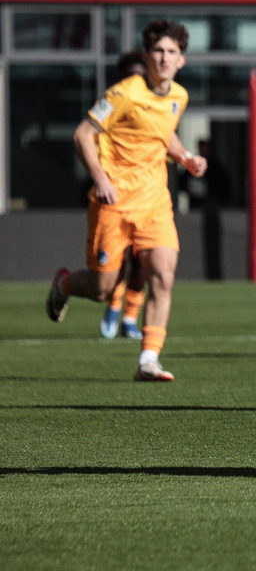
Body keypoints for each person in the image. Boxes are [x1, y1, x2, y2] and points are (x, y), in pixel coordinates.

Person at [46, 19, 207, 382]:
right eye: (158, 51)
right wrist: (100, 178)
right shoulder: (123, 94)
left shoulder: (178, 97)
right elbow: (82, 135)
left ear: (181, 60)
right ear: (147, 56)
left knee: (163, 277)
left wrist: (186, 158)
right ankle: (65, 284)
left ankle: (148, 360)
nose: (165, 58)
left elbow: (163, 135)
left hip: (154, 201)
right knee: (103, 289)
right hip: (113, 201)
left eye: (172, 52)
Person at [98, 50, 149, 341]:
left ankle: (130, 317)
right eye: (130, 75)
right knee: (114, 264)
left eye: (140, 76)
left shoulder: (154, 109)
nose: (136, 81)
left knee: (143, 260)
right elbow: (88, 136)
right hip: (114, 195)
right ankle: (113, 306)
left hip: (146, 197)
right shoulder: (111, 105)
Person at [186, 139, 231, 280]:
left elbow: (225, 189)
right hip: (197, 211)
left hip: (214, 210)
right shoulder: (193, 166)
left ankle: (215, 275)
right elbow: (183, 185)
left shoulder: (216, 168)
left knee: (215, 247)